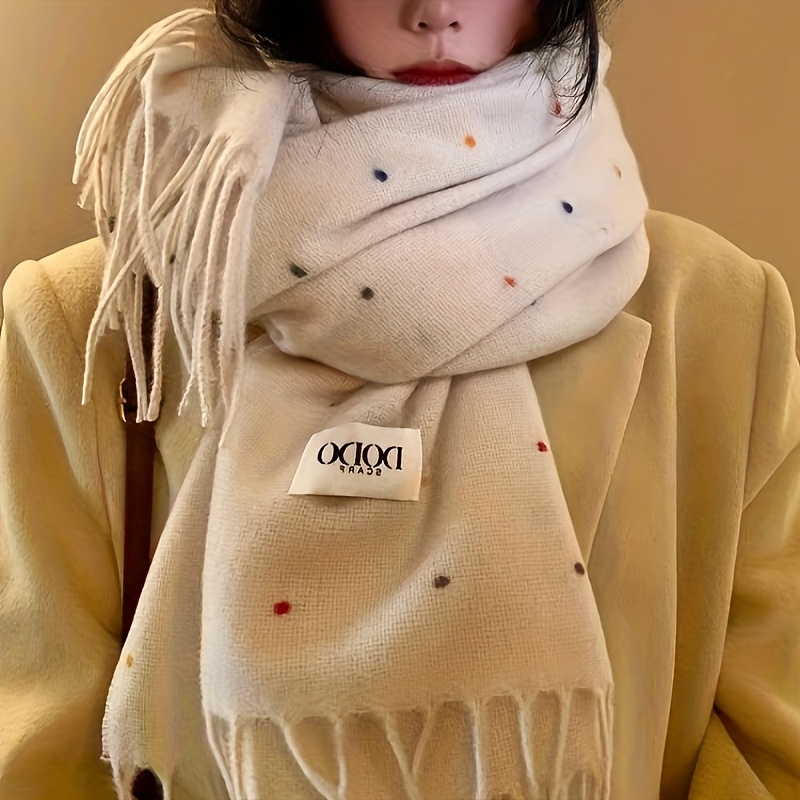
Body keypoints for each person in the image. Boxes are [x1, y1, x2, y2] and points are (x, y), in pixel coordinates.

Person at [0, 0, 798, 797]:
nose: (435, 13)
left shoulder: (721, 316)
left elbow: (768, 748)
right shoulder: (85, 321)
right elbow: (41, 757)